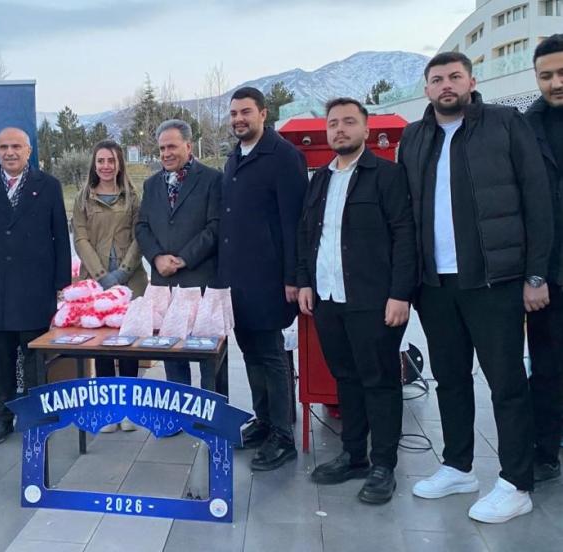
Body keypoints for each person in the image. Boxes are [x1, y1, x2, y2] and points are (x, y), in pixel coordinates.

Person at [398, 52, 553, 523]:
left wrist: (535, 274)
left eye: (454, 77)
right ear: (427, 88)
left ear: (471, 81)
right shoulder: (414, 136)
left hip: (493, 280)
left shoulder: (505, 124)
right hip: (435, 283)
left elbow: (537, 199)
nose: (446, 85)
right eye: (437, 79)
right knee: (450, 379)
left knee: (506, 383)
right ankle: (457, 466)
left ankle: (516, 483)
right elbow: (406, 213)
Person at [297, 98, 417, 504]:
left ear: (366, 129)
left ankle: (383, 464)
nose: (340, 129)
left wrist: (400, 293)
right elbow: (307, 235)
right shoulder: (320, 179)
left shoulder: (387, 175)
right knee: (345, 379)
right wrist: (305, 282)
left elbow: (405, 236)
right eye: (333, 123)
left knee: (379, 381)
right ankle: (353, 456)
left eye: (349, 122)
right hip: (328, 297)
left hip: (374, 299)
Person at [218, 87, 308, 471]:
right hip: (237, 280)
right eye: (234, 113)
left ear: (263, 114)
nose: (239, 119)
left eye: (246, 112)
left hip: (271, 278)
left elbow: (295, 222)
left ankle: (283, 437)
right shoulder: (234, 158)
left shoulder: (284, 156)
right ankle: (264, 420)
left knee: (272, 356)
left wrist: (293, 276)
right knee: (250, 352)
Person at [0, 127, 71, 445]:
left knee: (34, 358)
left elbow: (60, 236)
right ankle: (3, 417)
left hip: (36, 287)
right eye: (3, 147)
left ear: (28, 151)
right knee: (1, 359)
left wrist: (62, 283)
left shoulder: (48, 185)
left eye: (16, 146)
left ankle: (35, 415)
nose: (10, 152)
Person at [135, 119, 222, 392]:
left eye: (172, 146)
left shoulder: (212, 179)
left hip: (202, 281)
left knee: (210, 361)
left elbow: (216, 226)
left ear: (188, 146)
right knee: (172, 357)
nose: (166, 153)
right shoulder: (151, 185)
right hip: (165, 284)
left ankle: (212, 411)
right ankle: (180, 408)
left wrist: (184, 259)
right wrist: (157, 258)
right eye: (162, 148)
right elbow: (142, 226)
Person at [73, 140, 147, 432]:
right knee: (102, 346)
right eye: (101, 161)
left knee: (128, 346)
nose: (106, 166)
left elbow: (140, 236)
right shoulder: (83, 199)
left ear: (119, 164)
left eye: (111, 161)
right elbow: (81, 239)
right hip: (96, 283)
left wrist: (123, 272)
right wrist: (102, 275)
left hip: (130, 281)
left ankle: (128, 410)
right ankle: (108, 411)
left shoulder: (133, 197)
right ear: (94, 164)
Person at [525, 34, 563, 483]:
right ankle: (545, 450)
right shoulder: (527, 126)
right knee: (547, 368)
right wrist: (533, 275)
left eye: (562, 73)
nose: (556, 82)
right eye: (546, 75)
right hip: (548, 274)